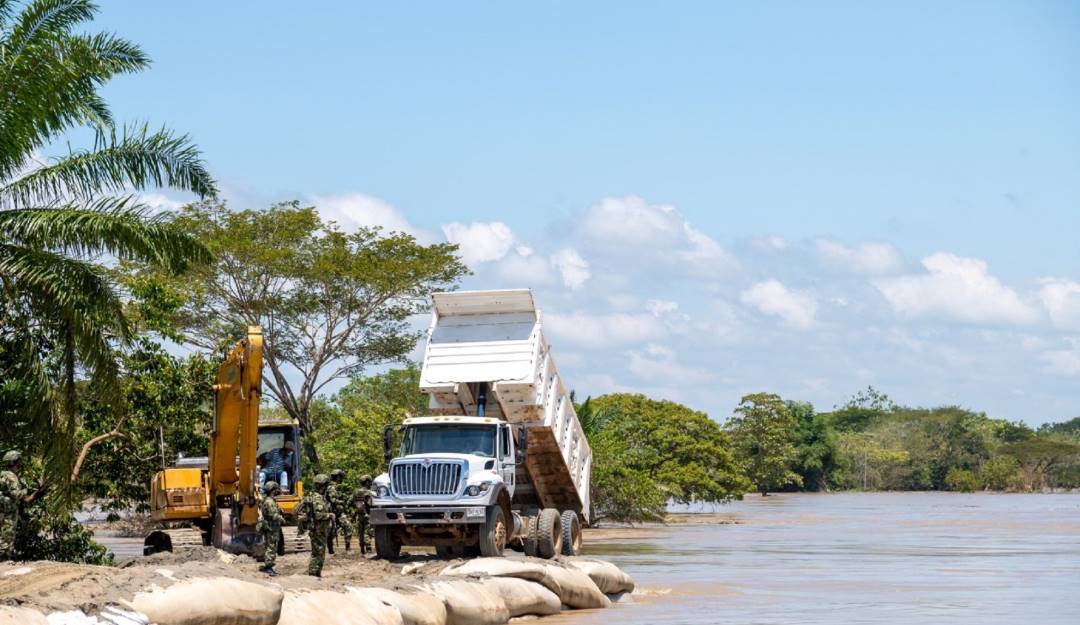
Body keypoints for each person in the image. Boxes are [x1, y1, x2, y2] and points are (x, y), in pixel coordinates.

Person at [297, 473, 334, 577]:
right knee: (318, 554)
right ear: (323, 486)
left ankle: (316, 573)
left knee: (318, 553)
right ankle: (314, 574)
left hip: (319, 530)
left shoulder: (316, 496)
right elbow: (318, 516)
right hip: (318, 530)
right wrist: (329, 515)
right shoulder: (318, 498)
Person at [0, 451, 25, 561]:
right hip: (9, 512)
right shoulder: (11, 476)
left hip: (3, 510)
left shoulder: (2, 474)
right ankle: (4, 562)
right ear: (15, 462)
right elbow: (17, 494)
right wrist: (25, 491)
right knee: (7, 537)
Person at [257, 481, 284, 576]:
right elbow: (273, 515)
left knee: (269, 546)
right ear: (273, 490)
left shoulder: (268, 500)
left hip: (270, 527)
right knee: (271, 547)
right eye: (276, 489)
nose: (277, 491)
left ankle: (267, 565)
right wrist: (281, 518)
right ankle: (268, 567)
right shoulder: (270, 501)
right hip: (272, 528)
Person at [327, 469, 353, 553]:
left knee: (348, 526)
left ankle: (347, 548)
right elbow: (333, 500)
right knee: (331, 531)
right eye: (341, 477)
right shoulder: (332, 487)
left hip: (338, 513)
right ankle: (330, 549)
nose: (342, 479)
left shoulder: (338, 487)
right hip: (332, 513)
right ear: (338, 477)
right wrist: (342, 502)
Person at [352, 475, 373, 556]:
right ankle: (368, 550)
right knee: (367, 532)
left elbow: (352, 502)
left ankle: (362, 550)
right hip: (367, 514)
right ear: (367, 482)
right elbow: (370, 503)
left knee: (361, 532)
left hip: (359, 515)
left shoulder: (356, 491)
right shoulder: (368, 492)